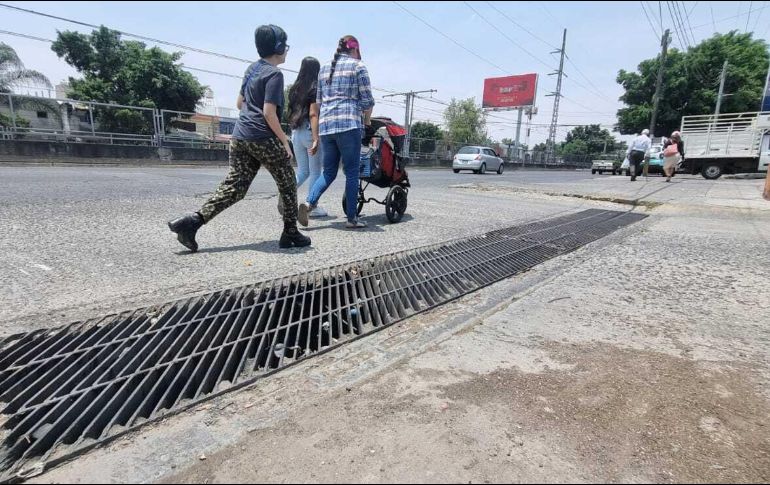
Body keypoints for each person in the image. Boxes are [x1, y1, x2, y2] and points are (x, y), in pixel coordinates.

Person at [167, 24, 310, 251]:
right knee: (288, 181)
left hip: (239, 136)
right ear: (280, 47)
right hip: (261, 136)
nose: (287, 50)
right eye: (286, 46)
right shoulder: (274, 74)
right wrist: (284, 140)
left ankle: (191, 223)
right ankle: (290, 232)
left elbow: (239, 104)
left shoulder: (251, 69)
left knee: (235, 187)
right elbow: (268, 112)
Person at [299, 35, 375, 229]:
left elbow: (318, 100)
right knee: (351, 173)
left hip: (326, 127)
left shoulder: (324, 69)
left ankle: (308, 203)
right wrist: (366, 121)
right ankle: (352, 219)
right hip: (349, 125)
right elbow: (368, 101)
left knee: (329, 172)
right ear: (355, 49)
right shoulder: (359, 66)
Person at [281, 56, 328, 218]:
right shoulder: (315, 88)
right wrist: (316, 138)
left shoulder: (295, 89)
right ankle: (311, 206)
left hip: (296, 133)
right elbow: (313, 114)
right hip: (310, 132)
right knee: (315, 172)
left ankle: (286, 193)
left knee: (302, 171)